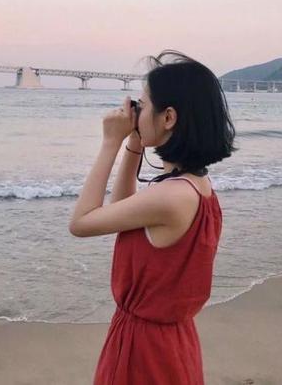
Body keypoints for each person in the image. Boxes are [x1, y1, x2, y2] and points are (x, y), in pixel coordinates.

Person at [69, 51, 236, 384]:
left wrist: (109, 143)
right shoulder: (194, 186)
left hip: (142, 352)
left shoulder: (170, 197)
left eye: (143, 106)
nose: (136, 113)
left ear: (168, 117)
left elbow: (81, 222)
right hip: (171, 342)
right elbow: (122, 209)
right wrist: (134, 143)